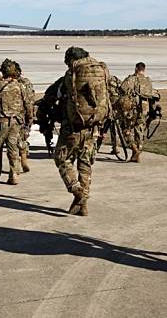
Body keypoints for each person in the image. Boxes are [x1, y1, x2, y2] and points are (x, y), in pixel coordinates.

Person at [54, 47, 110, 216]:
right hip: (94, 127)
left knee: (61, 158)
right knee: (85, 163)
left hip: (74, 127)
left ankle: (77, 190)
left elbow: (59, 94)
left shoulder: (71, 74)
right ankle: (82, 205)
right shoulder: (102, 70)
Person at [0, 59, 33, 185]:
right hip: (16, 122)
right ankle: (14, 174)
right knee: (13, 148)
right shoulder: (20, 86)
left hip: (1, 122)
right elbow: (28, 105)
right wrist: (29, 119)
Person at [119, 62, 154, 162]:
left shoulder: (132, 79)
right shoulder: (148, 81)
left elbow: (122, 88)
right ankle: (137, 154)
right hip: (144, 109)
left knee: (125, 129)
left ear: (136, 68)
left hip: (132, 109)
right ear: (144, 69)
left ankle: (134, 149)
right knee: (140, 130)